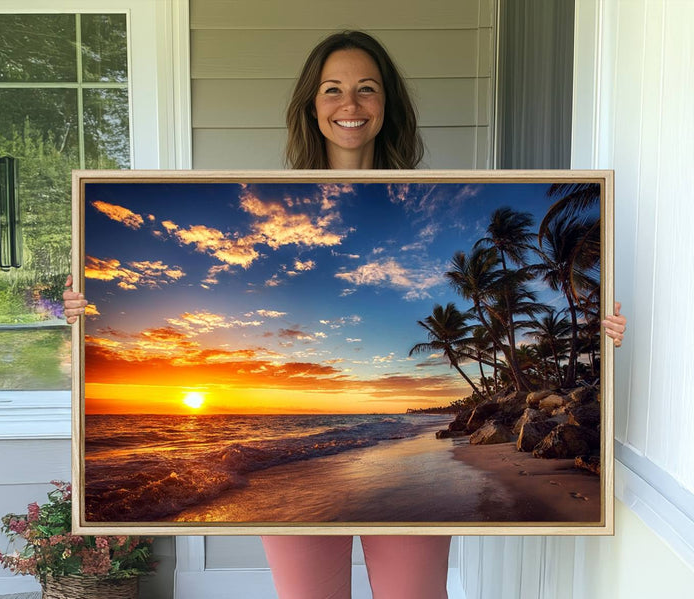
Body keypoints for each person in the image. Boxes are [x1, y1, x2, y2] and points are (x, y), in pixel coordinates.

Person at [63, 30, 627, 599]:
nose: (350, 105)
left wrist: (601, 329)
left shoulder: (437, 191)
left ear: (387, 105)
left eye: (366, 89)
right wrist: (85, 306)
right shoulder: (269, 194)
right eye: (332, 89)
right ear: (312, 104)